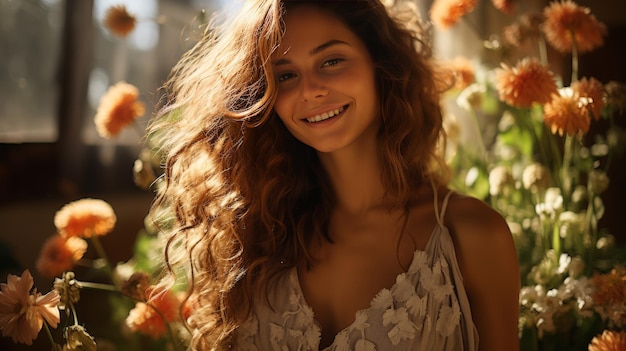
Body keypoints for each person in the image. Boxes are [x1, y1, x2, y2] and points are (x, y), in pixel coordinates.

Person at [148, 0, 520, 350]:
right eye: (286, 75)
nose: (310, 90)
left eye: (331, 61)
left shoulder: (471, 235)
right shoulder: (254, 241)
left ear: (381, 64)